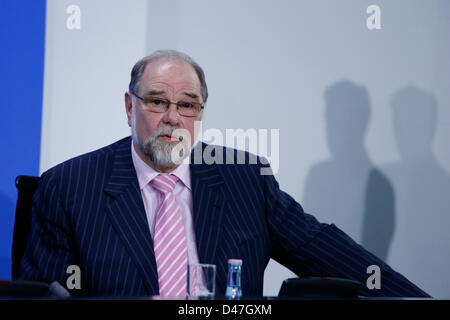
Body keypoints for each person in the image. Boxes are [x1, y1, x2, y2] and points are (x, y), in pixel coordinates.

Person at [19, 50, 429, 297]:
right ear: (130, 106)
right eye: (158, 102)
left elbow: (326, 251)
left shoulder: (246, 179)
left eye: (189, 105)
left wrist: (414, 300)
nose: (173, 118)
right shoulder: (70, 186)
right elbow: (45, 296)